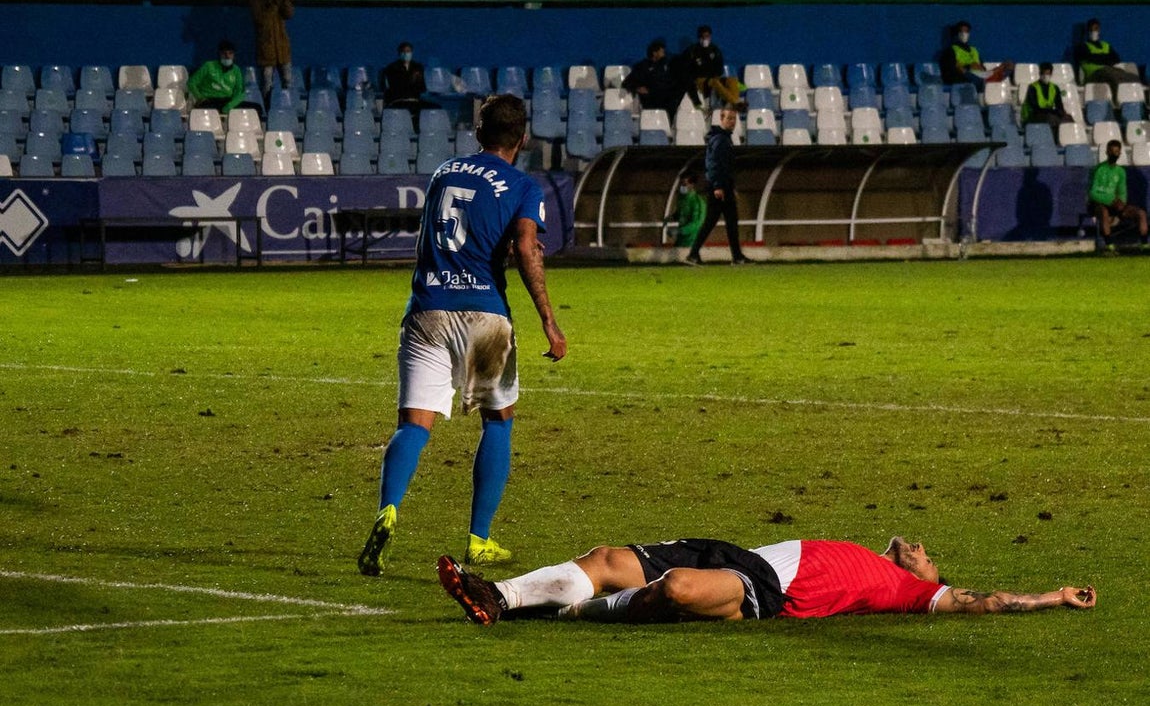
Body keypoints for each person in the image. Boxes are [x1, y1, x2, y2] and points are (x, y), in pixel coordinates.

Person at [357, 94, 567, 576]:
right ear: (523, 138)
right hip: (484, 313)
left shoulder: (443, 172)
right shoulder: (521, 184)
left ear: (478, 133)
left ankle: (387, 511)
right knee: (498, 419)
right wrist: (549, 322)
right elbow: (527, 248)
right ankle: (479, 538)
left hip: (426, 309)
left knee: (414, 423)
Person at [437, 535, 1098, 626]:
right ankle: (501, 594)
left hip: (766, 593)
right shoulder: (868, 552)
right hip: (742, 552)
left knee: (681, 590)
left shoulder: (908, 589)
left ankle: (563, 614)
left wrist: (1049, 596)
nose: (913, 545)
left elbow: (977, 600)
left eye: (923, 552)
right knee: (610, 553)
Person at [686, 106, 747, 265]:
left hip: (722, 186)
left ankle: (735, 256)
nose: (732, 122)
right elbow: (714, 165)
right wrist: (718, 186)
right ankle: (736, 257)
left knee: (720, 222)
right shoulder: (721, 139)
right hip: (719, 188)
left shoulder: (721, 138)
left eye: (733, 119)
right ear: (721, 119)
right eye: (729, 118)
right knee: (725, 222)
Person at [1089, 139, 1149, 252]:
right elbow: (1093, 193)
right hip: (1099, 204)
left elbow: (1122, 192)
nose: (1114, 154)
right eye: (1112, 151)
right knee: (1103, 211)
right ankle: (1109, 246)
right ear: (1107, 152)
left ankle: (1144, 245)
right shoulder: (1098, 170)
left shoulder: (1120, 171)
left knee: (1141, 213)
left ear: (1120, 153)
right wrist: (1110, 200)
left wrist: (1121, 203)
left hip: (1115, 205)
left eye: (1117, 151)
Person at [250, 0, 294, 103]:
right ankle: (266, 108)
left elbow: (289, 14)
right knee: (267, 83)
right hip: (266, 48)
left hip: (282, 47)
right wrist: (275, 3)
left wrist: (285, 0)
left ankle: (288, 105)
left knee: (287, 80)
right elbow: (261, 20)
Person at [1074, 18, 1142, 104]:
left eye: (1096, 29)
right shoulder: (1082, 47)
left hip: (1108, 70)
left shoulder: (1106, 45)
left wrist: (1100, 58)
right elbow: (1090, 58)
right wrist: (1105, 58)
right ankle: (1117, 103)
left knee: (1132, 77)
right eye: (1091, 29)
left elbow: (1116, 59)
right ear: (1087, 31)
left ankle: (1138, 104)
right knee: (1112, 76)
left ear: (1099, 30)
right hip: (1093, 74)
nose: (1093, 31)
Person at [681, 26, 743, 111]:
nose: (705, 38)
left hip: (714, 78)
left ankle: (735, 101)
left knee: (732, 80)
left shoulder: (715, 50)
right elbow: (687, 71)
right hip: (700, 80)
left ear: (710, 37)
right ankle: (735, 103)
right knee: (714, 82)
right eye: (703, 36)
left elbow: (719, 69)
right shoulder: (692, 51)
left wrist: (715, 74)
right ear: (699, 37)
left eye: (707, 36)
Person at [940, 20, 1012, 92]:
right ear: (957, 33)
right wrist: (969, 66)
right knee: (982, 80)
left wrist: (980, 67)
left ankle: (994, 77)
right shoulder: (951, 50)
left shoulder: (974, 50)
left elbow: (982, 67)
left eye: (966, 31)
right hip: (966, 77)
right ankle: (989, 81)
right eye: (961, 31)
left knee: (1008, 66)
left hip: (981, 74)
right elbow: (950, 71)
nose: (964, 34)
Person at [621, 39, 682, 119]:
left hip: (667, 102)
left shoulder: (667, 66)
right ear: (654, 53)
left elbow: (673, 83)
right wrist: (637, 88)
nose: (664, 54)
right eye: (662, 52)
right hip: (651, 103)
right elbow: (627, 83)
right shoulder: (643, 66)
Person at [382, 41, 436, 129]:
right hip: (399, 100)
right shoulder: (392, 68)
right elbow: (396, 86)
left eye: (408, 51)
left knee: (434, 108)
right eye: (404, 51)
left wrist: (416, 82)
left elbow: (422, 87)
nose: (406, 54)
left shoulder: (417, 67)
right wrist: (411, 80)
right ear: (400, 53)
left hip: (415, 99)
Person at [186, 40, 247, 114]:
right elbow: (191, 83)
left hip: (227, 101)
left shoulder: (236, 70)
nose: (227, 56)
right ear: (219, 54)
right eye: (224, 53)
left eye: (230, 53)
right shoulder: (208, 66)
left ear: (234, 55)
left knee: (256, 108)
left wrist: (230, 105)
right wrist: (200, 98)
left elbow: (238, 90)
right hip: (210, 101)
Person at [1021, 62, 1073, 134]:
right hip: (1032, 116)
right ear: (1040, 73)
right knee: (1051, 119)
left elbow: (1059, 105)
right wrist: (1052, 111)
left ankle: (1068, 141)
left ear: (1051, 74)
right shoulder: (1033, 87)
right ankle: (1053, 141)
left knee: (1068, 118)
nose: (1045, 76)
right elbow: (1035, 108)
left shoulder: (1054, 88)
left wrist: (1062, 114)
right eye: (1043, 73)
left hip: (1047, 114)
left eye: (1048, 74)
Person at [670, 172, 705, 248]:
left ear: (692, 185)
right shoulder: (681, 199)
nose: (682, 187)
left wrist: (680, 231)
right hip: (680, 240)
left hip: (692, 241)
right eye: (681, 184)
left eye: (684, 184)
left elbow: (697, 223)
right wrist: (672, 217)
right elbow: (680, 214)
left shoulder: (697, 202)